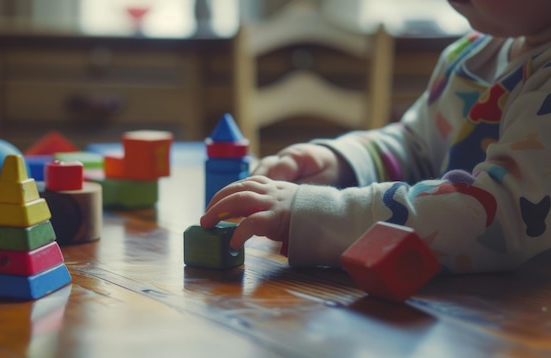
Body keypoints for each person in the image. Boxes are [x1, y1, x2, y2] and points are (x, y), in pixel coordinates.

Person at [200, 0, 551, 274]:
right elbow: (416, 147)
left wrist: (323, 215)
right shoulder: (469, 54)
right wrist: (342, 162)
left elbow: (501, 216)